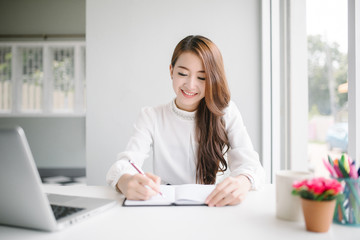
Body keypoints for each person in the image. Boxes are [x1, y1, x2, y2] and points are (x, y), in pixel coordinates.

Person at [106, 35, 265, 207]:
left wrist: (242, 181)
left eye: (202, 78)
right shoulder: (151, 116)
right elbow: (125, 163)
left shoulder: (226, 112)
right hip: (167, 209)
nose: (190, 85)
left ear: (212, 79)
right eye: (182, 73)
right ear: (171, 71)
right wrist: (125, 181)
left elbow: (251, 165)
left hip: (215, 207)